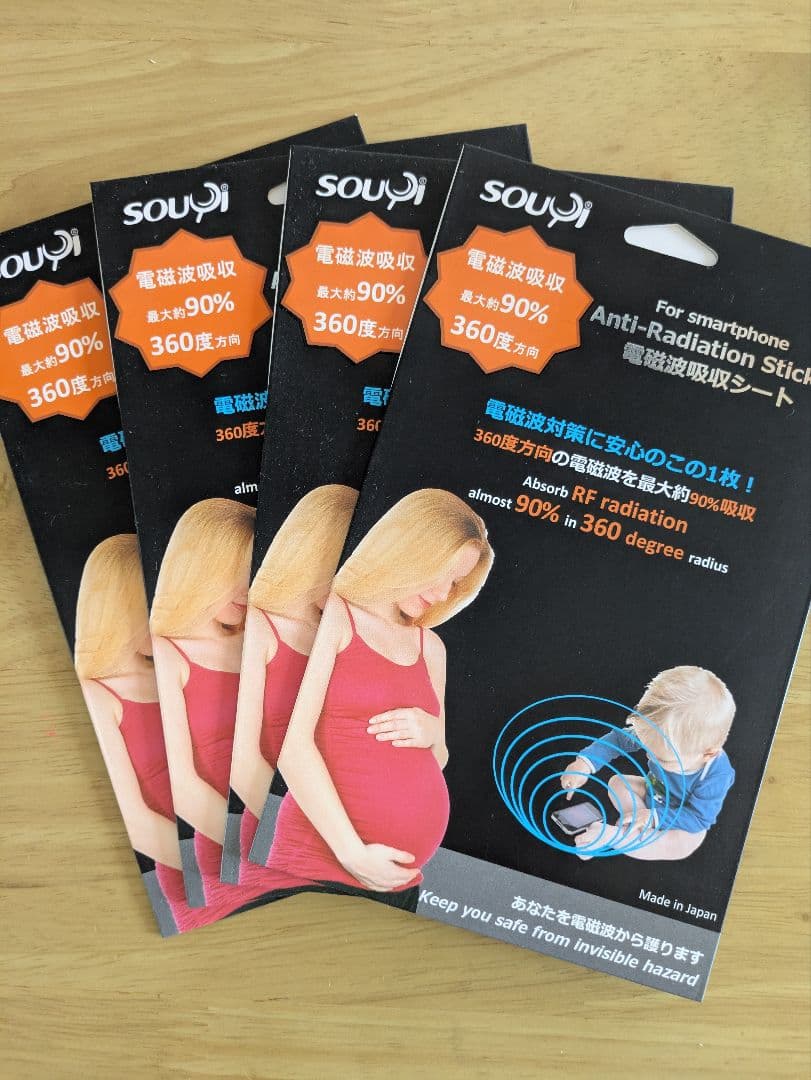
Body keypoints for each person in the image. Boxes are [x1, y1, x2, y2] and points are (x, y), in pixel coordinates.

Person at [260, 488, 494, 911]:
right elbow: (292, 746)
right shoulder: (335, 616)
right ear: (408, 549)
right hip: (321, 861)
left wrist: (433, 733)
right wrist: (353, 853)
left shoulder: (430, 647)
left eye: (456, 583)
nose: (444, 594)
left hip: (400, 881)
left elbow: (438, 758)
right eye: (441, 574)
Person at [75, 534, 207, 933]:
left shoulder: (189, 656)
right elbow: (137, 820)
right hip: (192, 869)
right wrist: (217, 862)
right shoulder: (101, 695)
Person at [150, 498, 273, 914]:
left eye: (251, 572)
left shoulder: (262, 638)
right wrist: (267, 839)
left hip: (285, 836)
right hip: (224, 849)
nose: (245, 589)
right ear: (197, 567)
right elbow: (180, 784)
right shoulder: (167, 654)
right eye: (230, 572)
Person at [228, 484, 358, 870]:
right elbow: (242, 757)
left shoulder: (348, 631)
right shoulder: (261, 628)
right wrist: (318, 829)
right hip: (291, 828)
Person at [560, 666, 736, 861]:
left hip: (680, 821)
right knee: (617, 782)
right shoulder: (656, 734)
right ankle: (634, 830)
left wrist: (654, 817)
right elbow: (617, 740)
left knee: (678, 844)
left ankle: (614, 836)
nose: (650, 758)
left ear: (708, 754)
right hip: (654, 793)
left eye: (662, 759)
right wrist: (584, 764)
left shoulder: (716, 775)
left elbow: (698, 818)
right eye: (648, 750)